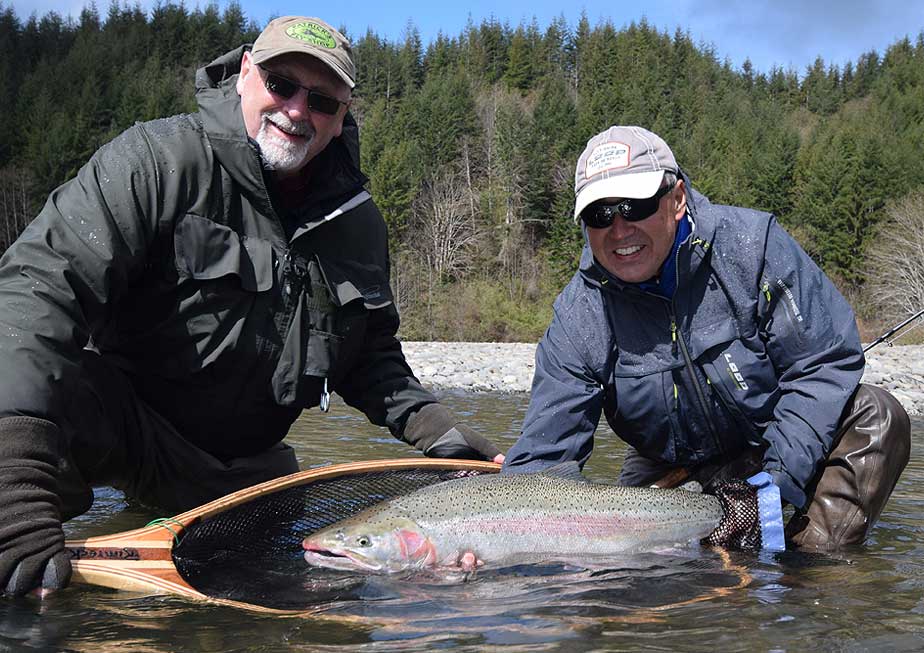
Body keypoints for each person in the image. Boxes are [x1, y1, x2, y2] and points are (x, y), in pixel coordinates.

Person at [0, 16, 503, 597]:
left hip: (249, 470)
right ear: (243, 73)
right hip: (129, 428)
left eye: (320, 100)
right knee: (45, 396)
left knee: (307, 591)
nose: (295, 109)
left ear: (341, 120)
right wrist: (13, 483)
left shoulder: (358, 224)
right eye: (280, 83)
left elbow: (370, 359)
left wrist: (440, 434)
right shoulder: (156, 160)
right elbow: (34, 292)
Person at [503, 125, 910, 551]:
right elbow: (544, 459)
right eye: (600, 215)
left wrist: (770, 484)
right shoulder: (578, 316)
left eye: (634, 206)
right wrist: (494, 539)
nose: (619, 230)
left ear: (676, 199)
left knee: (876, 415)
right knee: (632, 579)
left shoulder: (754, 249)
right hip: (671, 462)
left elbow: (824, 364)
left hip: (777, 436)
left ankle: (806, 576)